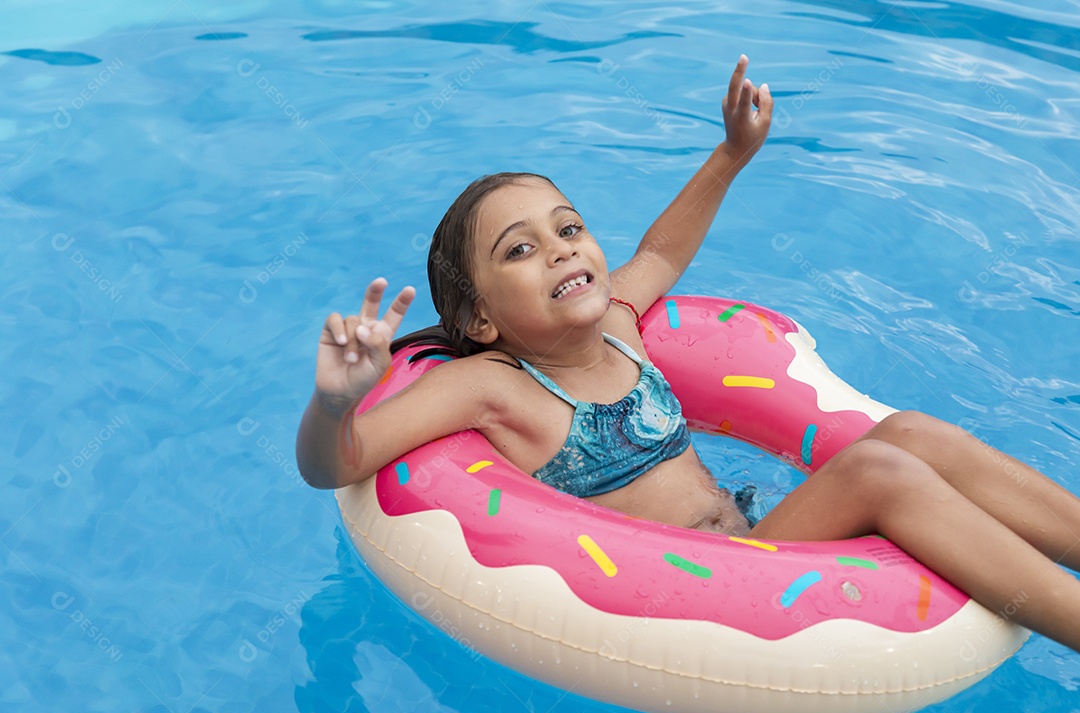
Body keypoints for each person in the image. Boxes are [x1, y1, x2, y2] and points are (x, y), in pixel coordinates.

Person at [297, 56, 1080, 653]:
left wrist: (732, 153)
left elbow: (662, 253)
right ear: (481, 317)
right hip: (707, 583)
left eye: (569, 229)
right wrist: (337, 400)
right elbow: (340, 463)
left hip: (756, 535)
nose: (562, 253)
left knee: (912, 432)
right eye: (521, 251)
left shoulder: (620, 331)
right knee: (880, 469)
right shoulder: (491, 388)